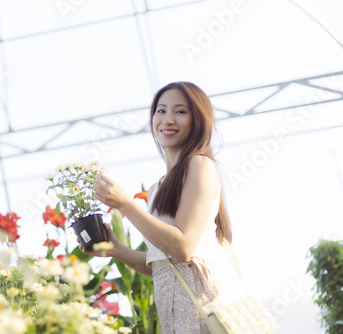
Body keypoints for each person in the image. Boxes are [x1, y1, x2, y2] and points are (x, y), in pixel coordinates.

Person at [80, 82, 233, 333]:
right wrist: (116, 250)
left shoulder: (199, 165)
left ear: (199, 120)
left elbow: (182, 249)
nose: (167, 119)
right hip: (175, 317)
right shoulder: (156, 188)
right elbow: (161, 265)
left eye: (180, 112)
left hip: (202, 310)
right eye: (160, 111)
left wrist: (126, 205)